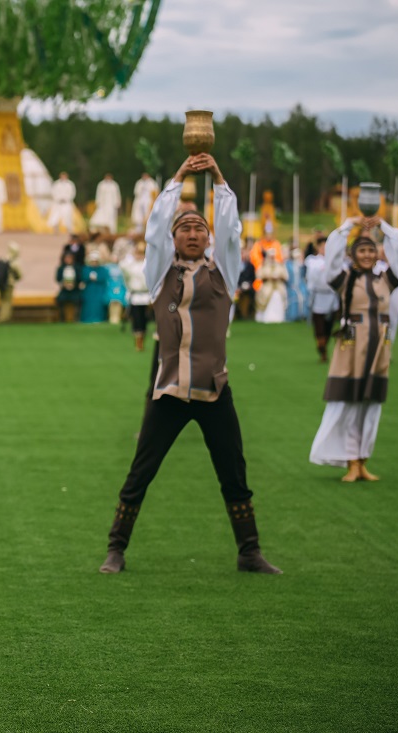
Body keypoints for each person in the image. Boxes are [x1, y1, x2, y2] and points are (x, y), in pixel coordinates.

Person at [99, 153, 281, 576]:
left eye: (200, 228)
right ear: (174, 238)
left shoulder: (225, 271)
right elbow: (155, 231)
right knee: (140, 473)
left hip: (214, 389)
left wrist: (218, 180)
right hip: (169, 392)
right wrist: (178, 179)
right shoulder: (160, 272)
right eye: (185, 228)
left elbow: (232, 232)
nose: (194, 233)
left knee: (234, 473)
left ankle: (249, 552)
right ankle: (115, 549)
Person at [309, 217, 398, 482]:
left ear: (377, 254)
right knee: (351, 403)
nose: (366, 255)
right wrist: (347, 226)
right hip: (352, 350)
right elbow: (330, 257)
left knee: (372, 406)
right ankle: (351, 461)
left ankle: (363, 461)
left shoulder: (387, 279)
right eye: (361, 250)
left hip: (379, 350)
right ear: (353, 255)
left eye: (370, 250)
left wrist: (383, 226)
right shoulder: (343, 279)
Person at [305, 236, 339, 362]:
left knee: (329, 326)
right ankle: (321, 346)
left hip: (331, 296)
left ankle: (325, 347)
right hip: (319, 295)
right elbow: (311, 276)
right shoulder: (312, 260)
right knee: (319, 324)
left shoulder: (334, 261)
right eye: (322, 246)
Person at [121, 242, 151, 350]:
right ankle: (138, 341)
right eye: (137, 253)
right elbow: (124, 269)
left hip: (146, 295)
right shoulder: (130, 265)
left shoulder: (147, 264)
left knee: (145, 319)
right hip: (135, 295)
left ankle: (143, 339)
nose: (139, 255)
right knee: (137, 319)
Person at [78, 251, 108, 323]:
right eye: (93, 261)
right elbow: (83, 278)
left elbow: (104, 278)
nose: (94, 263)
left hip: (99, 290)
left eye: (95, 261)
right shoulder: (86, 269)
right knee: (88, 306)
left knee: (98, 305)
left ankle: (99, 319)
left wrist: (97, 278)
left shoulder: (103, 269)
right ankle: (87, 319)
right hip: (89, 290)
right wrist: (89, 278)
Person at [55, 252, 80, 323]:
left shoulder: (76, 267)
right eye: (67, 258)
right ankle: (62, 319)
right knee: (59, 300)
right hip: (64, 290)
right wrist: (64, 284)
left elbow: (79, 278)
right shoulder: (61, 268)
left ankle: (76, 319)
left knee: (78, 300)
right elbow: (58, 278)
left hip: (74, 290)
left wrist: (74, 284)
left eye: (70, 258)